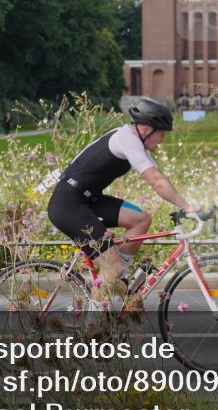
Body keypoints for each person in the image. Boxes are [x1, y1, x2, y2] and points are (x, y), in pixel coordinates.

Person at [46, 97, 198, 310]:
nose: (162, 139)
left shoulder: (131, 139)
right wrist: (186, 205)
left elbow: (158, 176)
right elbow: (156, 181)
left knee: (141, 219)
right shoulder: (128, 141)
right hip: (69, 204)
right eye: (161, 133)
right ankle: (93, 331)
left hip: (87, 199)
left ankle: (115, 285)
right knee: (112, 266)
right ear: (145, 129)